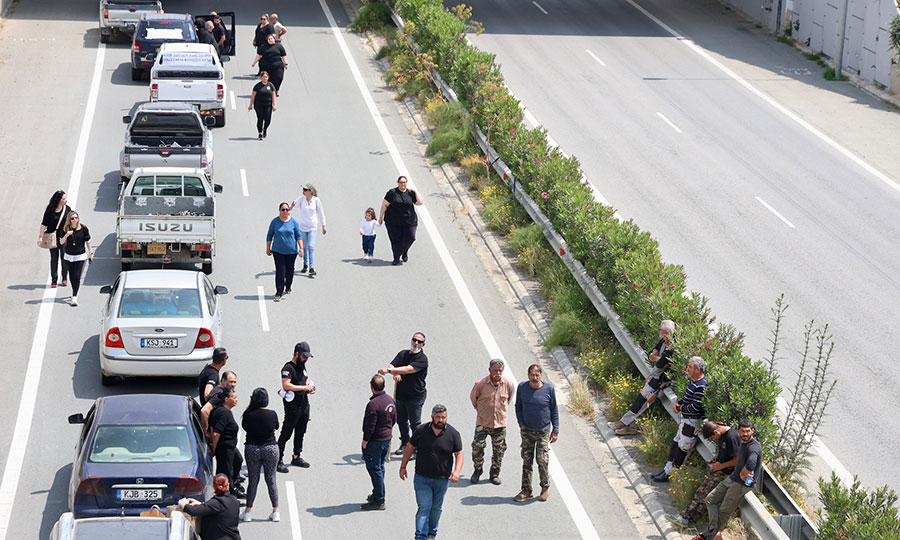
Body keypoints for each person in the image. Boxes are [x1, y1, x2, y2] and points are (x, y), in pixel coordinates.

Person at [399, 404, 463, 540]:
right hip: (422, 478)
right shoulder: (421, 431)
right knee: (424, 507)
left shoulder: (453, 434)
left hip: (442, 479)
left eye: (443, 417)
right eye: (438, 417)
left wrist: (457, 471)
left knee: (436, 508)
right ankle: (420, 536)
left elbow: (459, 453)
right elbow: (410, 447)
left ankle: (432, 533)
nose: (441, 420)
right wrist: (403, 466)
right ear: (432, 417)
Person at [694, 419, 763, 540]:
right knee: (710, 499)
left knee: (723, 512)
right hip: (732, 478)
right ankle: (713, 532)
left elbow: (751, 463)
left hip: (740, 484)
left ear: (752, 431)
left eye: (748, 431)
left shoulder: (754, 447)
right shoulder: (742, 442)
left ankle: (707, 536)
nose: (745, 434)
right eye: (743, 431)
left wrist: (744, 473)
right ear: (738, 431)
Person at [665, 421, 740, 529]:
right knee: (700, 493)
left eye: (713, 438)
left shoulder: (731, 437)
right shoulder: (722, 434)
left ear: (716, 432)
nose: (714, 439)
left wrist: (721, 466)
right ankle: (685, 516)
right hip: (718, 470)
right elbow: (726, 451)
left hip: (725, 473)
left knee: (705, 496)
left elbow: (737, 460)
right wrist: (717, 457)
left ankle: (688, 520)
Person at [609, 320, 675, 436]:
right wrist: (656, 357)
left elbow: (661, 363)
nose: (659, 332)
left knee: (642, 400)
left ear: (666, 332)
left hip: (661, 379)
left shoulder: (672, 345)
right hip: (655, 375)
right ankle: (629, 425)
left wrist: (656, 358)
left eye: (660, 330)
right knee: (641, 401)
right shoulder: (663, 341)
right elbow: (651, 354)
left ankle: (624, 423)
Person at [652, 356, 708, 483]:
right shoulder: (694, 383)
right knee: (676, 442)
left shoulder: (701, 386)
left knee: (683, 447)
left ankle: (671, 474)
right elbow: (687, 399)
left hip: (692, 422)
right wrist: (678, 403)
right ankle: (667, 469)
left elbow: (696, 407)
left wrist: (681, 408)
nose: (687, 369)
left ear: (698, 369)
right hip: (685, 420)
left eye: (690, 367)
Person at [378, 332, 429, 457]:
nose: (416, 343)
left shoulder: (422, 359)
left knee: (415, 424)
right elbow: (392, 364)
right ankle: (405, 442)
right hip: (400, 395)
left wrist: (390, 371)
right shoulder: (403, 354)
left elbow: (408, 369)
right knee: (401, 420)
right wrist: (395, 372)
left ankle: (416, 448)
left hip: (415, 396)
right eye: (414, 340)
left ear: (423, 344)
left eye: (419, 342)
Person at [514, 364, 559, 502]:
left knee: (542, 460)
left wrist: (555, 430)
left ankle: (545, 488)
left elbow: (554, 410)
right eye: (532, 375)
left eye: (537, 375)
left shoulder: (549, 389)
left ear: (541, 375)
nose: (534, 378)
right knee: (527, 460)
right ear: (528, 375)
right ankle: (526, 490)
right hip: (526, 431)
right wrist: (521, 423)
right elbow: (518, 406)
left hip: (543, 431)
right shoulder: (522, 387)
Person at [469, 358, 515, 485]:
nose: (498, 373)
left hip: (499, 425)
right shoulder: (480, 384)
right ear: (489, 370)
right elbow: (474, 399)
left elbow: (508, 400)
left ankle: (494, 474)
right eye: (495, 370)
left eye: (500, 371)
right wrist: (482, 411)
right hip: (482, 423)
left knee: (499, 451)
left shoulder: (508, 384)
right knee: (477, 448)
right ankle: (477, 470)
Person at [240, 388, 281, 522]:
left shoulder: (248, 414)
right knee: (271, 479)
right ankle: (275, 511)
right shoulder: (272, 414)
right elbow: (276, 427)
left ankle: (247, 512)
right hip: (270, 448)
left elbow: (245, 427)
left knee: (253, 480)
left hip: (252, 448)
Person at [360, 374, 397, 511]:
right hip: (386, 439)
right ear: (384, 386)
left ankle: (379, 500)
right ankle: (377, 493)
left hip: (375, 441)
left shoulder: (373, 404)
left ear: (371, 387)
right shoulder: (390, 400)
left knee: (375, 470)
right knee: (380, 468)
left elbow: (370, 426)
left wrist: (365, 441)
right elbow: (394, 419)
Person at [277, 342, 315, 472]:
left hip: (304, 404)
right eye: (304, 356)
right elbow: (286, 385)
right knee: (286, 433)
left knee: (301, 431)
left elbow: (306, 380)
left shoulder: (302, 366)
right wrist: (304, 387)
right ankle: (278, 459)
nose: (306, 359)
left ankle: (296, 456)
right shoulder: (288, 368)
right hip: (292, 406)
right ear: (297, 354)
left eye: (307, 357)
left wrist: (310, 387)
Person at [179, 474, 242, 540]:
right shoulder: (233, 500)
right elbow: (216, 508)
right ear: (228, 485)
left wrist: (183, 504)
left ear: (214, 486)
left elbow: (193, 511)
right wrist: (201, 504)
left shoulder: (216, 502)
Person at [378, 175, 423, 265]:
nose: (403, 184)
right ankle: (396, 258)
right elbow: (384, 205)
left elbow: (420, 202)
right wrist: (381, 217)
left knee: (411, 237)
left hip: (410, 221)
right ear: (398, 183)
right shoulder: (392, 193)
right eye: (401, 182)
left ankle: (404, 251)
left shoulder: (410, 193)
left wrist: (415, 192)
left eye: (404, 182)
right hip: (393, 222)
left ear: (407, 183)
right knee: (395, 240)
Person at [210, 388, 244, 498]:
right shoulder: (223, 413)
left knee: (238, 460)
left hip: (230, 447)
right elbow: (216, 433)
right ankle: (228, 496)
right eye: (234, 398)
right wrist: (214, 447)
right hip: (224, 448)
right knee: (226, 471)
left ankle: (234, 486)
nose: (236, 400)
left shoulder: (226, 410)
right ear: (226, 399)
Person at [265, 202, 303, 302]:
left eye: (287, 209)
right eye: (283, 210)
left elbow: (298, 235)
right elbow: (269, 235)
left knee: (290, 271)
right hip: (278, 251)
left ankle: (288, 286)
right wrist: (268, 248)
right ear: (279, 211)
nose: (285, 211)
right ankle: (279, 292)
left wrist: (301, 248)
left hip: (291, 252)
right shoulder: (275, 222)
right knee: (280, 272)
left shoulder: (293, 222)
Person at [289, 184, 326, 276]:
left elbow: (321, 213)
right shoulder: (301, 199)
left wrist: (323, 225)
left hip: (312, 226)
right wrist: (291, 206)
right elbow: (292, 207)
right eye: (303, 189)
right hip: (302, 226)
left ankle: (311, 268)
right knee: (304, 247)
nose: (303, 191)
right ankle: (305, 265)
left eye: (305, 190)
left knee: (311, 246)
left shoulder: (316, 201)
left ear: (310, 191)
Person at [57, 211, 92, 306]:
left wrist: (90, 253)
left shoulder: (83, 228)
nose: (74, 220)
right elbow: (61, 242)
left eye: (76, 218)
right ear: (69, 220)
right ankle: (74, 291)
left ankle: (74, 296)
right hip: (69, 256)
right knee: (72, 276)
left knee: (77, 276)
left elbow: (88, 241)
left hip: (80, 256)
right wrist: (67, 235)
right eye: (72, 218)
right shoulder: (65, 229)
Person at [38, 190, 70, 288]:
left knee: (64, 257)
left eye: (65, 198)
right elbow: (44, 224)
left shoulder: (67, 209)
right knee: (54, 259)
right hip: (52, 237)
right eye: (63, 199)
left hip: (63, 237)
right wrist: (40, 237)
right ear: (58, 200)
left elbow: (70, 223)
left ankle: (64, 277)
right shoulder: (50, 210)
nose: (66, 200)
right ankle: (54, 280)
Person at [201, 370, 237, 434]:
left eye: (235, 382)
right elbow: (204, 411)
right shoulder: (218, 395)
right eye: (231, 382)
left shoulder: (219, 389)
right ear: (223, 380)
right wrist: (206, 431)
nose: (233, 385)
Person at [248, 72, 277, 140]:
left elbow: (273, 96)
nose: (265, 78)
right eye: (263, 77)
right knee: (260, 119)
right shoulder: (257, 86)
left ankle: (265, 128)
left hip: (268, 105)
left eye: (266, 77)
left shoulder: (271, 85)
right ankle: (260, 133)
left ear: (268, 78)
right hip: (259, 105)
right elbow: (253, 96)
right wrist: (250, 105)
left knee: (268, 119)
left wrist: (274, 105)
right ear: (261, 78)